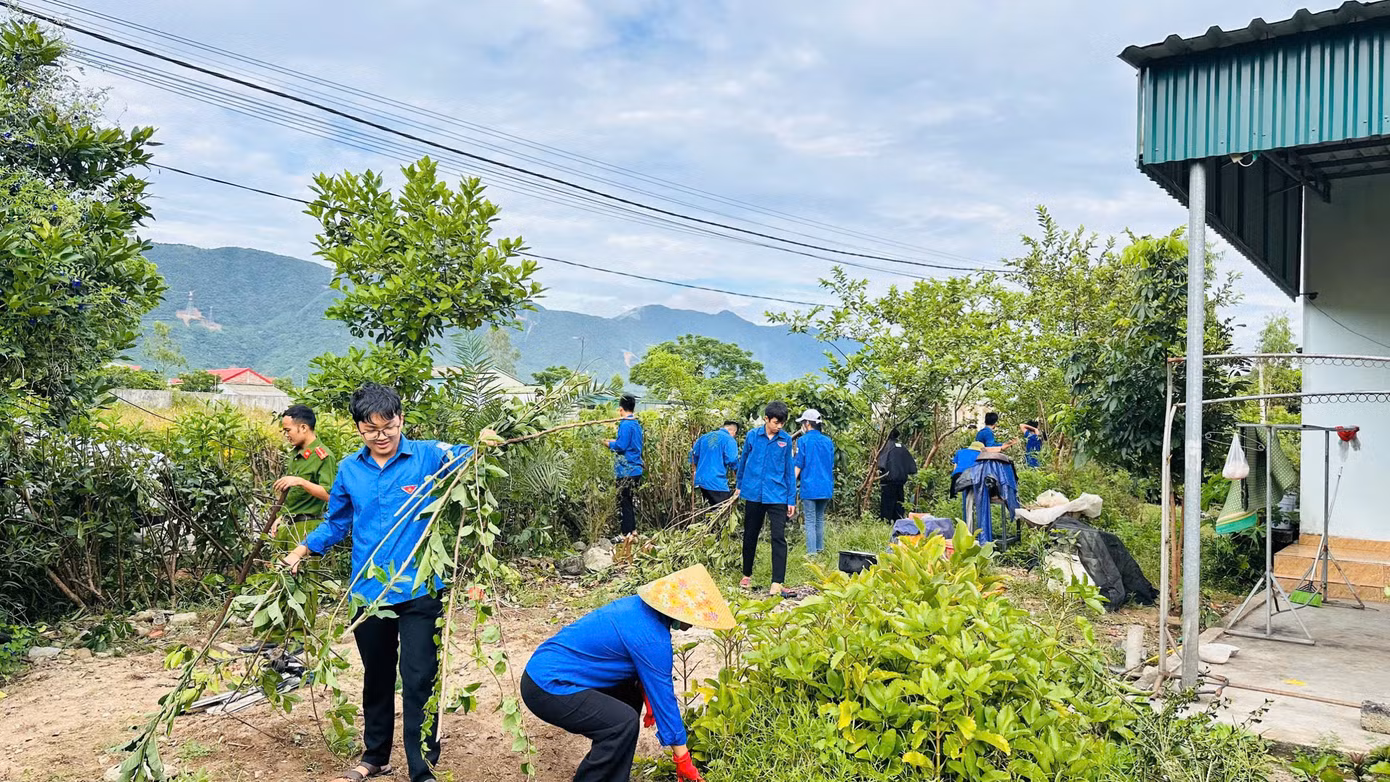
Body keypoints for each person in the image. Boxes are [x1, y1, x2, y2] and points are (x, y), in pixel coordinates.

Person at [284, 384, 473, 782]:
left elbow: (468, 454)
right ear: (358, 430)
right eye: (371, 430)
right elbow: (337, 522)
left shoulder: (426, 455)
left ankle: (422, 767)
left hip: (420, 588)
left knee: (420, 675)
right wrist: (302, 550)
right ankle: (375, 757)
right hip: (369, 593)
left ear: (401, 421)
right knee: (377, 676)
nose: (381, 435)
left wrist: (482, 444)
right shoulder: (350, 469)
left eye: (388, 426)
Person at [522, 564, 733, 782]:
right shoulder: (652, 638)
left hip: (550, 668)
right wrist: (683, 760)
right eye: (694, 615)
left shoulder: (636, 607)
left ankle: (611, 773)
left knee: (629, 696)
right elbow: (665, 700)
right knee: (621, 723)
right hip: (547, 686)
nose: (695, 623)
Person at [736, 401, 797, 598]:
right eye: (776, 422)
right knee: (750, 535)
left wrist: (791, 499)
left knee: (778, 537)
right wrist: (739, 486)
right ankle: (746, 575)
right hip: (753, 492)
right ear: (766, 419)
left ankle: (777, 582)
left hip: (777, 494)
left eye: (782, 423)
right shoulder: (752, 436)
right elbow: (743, 461)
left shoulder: (785, 440)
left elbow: (789, 470)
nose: (779, 426)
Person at [270, 404, 337, 549]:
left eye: (288, 430)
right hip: (287, 525)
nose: (286, 435)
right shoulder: (295, 454)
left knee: (304, 571)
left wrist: (301, 482)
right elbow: (293, 497)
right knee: (276, 569)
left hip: (307, 527)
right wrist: (282, 516)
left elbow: (330, 495)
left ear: (304, 428)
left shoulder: (323, 456)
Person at [601, 393, 645, 540]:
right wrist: (613, 440)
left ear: (621, 409)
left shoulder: (625, 424)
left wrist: (607, 443)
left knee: (624, 501)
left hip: (626, 470)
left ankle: (626, 533)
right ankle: (633, 531)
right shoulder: (636, 424)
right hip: (636, 469)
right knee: (629, 500)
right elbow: (629, 443)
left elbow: (621, 446)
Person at [793, 409, 835, 555]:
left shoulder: (803, 441)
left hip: (810, 487)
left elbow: (799, 464)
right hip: (825, 487)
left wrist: (791, 484)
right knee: (819, 519)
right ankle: (819, 549)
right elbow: (831, 465)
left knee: (810, 521)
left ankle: (811, 554)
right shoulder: (828, 441)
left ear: (807, 424)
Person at [689, 420, 740, 506]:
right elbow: (732, 460)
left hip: (701, 480)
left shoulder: (704, 437)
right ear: (734, 432)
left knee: (711, 509)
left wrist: (694, 472)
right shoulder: (729, 439)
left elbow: (692, 456)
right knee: (724, 510)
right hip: (716, 482)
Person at [876, 429, 917, 521]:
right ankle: (898, 522)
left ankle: (886, 522)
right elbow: (912, 467)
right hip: (900, 481)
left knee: (887, 505)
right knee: (899, 504)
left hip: (888, 481)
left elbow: (881, 465)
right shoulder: (902, 447)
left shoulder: (886, 447)